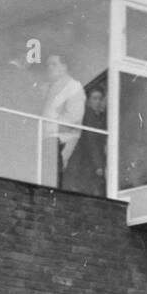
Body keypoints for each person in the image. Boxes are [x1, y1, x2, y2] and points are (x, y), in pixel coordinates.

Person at [42, 53, 85, 185]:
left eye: (54, 64)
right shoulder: (46, 87)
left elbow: (74, 118)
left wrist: (48, 127)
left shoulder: (73, 87)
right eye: (48, 65)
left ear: (65, 66)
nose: (50, 68)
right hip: (45, 140)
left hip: (62, 141)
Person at [62, 82, 107, 195]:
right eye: (94, 98)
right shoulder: (89, 115)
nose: (97, 101)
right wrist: (98, 165)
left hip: (85, 164)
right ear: (88, 101)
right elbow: (91, 140)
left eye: (99, 98)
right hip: (83, 163)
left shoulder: (98, 117)